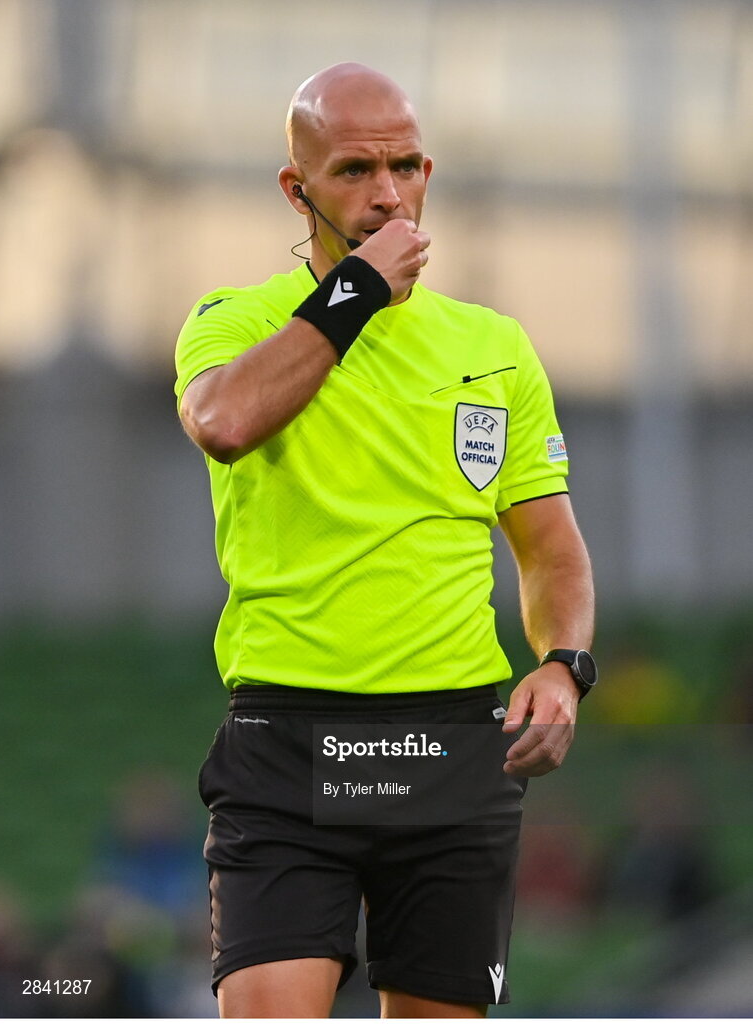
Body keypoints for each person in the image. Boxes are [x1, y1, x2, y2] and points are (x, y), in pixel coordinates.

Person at [175, 62, 595, 1019]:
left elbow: (550, 548)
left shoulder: (492, 344)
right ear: (297, 189)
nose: (385, 193)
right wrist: (353, 293)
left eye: (404, 167)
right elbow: (224, 421)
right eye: (354, 170)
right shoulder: (234, 320)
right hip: (287, 738)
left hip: (448, 740)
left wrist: (562, 665)